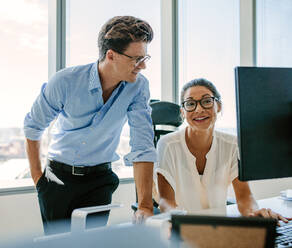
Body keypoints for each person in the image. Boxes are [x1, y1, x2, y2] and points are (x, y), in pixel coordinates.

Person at [24, 16, 157, 235]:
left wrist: (144, 204)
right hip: (57, 180)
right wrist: (39, 180)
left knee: (92, 243)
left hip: (99, 180)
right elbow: (33, 126)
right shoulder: (65, 81)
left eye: (145, 58)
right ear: (111, 55)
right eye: (136, 59)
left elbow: (142, 145)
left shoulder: (138, 87)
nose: (142, 66)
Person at [154, 78, 291, 223]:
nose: (199, 109)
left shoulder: (232, 144)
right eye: (190, 104)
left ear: (218, 106)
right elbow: (165, 201)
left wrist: (254, 214)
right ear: (183, 112)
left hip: (218, 229)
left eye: (207, 101)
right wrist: (184, 223)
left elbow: (244, 197)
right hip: (181, 231)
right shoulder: (167, 144)